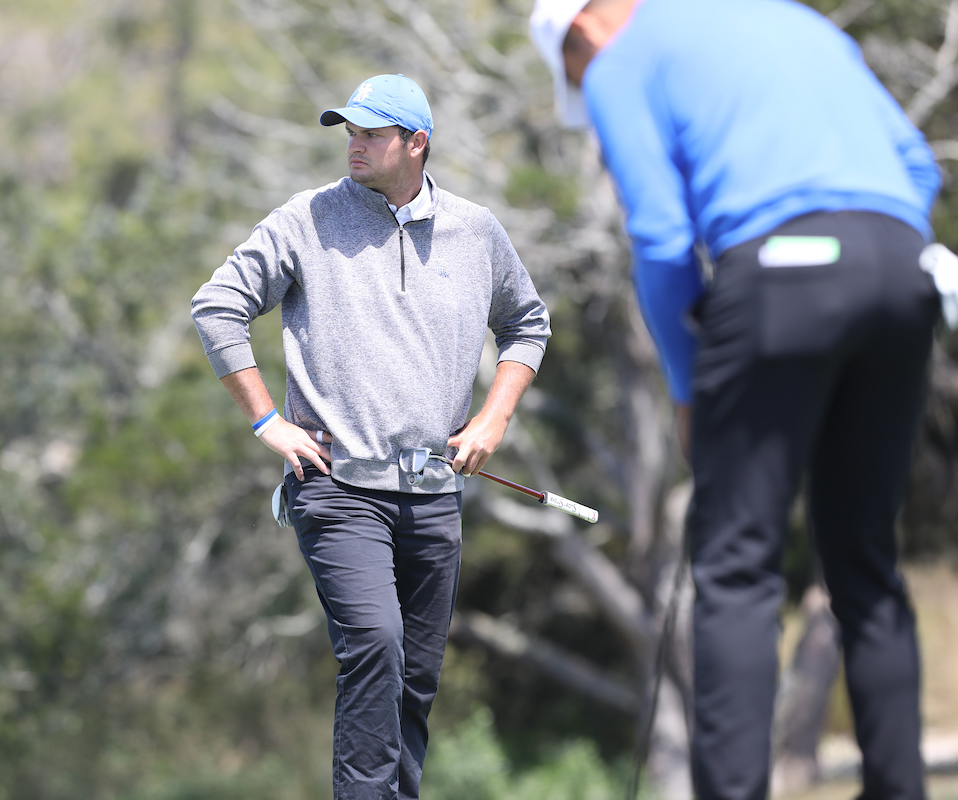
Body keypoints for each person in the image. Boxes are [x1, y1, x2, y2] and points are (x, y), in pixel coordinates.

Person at [529, 0, 941, 797]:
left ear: (580, 31)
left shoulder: (619, 58)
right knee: (864, 558)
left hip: (776, 268)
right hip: (902, 266)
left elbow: (659, 235)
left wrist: (690, 387)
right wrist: (871, 259)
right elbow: (917, 167)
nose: (587, 87)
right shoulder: (793, 19)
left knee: (736, 563)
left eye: (574, 75)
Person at [190, 74, 551, 799]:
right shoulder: (307, 219)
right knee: (375, 647)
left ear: (415, 143)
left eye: (370, 134)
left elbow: (527, 324)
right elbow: (217, 306)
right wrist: (268, 421)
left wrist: (494, 418)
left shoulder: (475, 230)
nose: (353, 145)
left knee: (416, 676)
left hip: (432, 493)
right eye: (347, 132)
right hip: (337, 487)